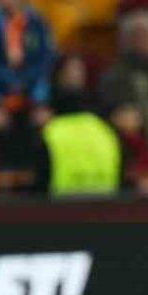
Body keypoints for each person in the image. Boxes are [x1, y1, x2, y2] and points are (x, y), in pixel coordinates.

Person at [0, 0, 55, 169]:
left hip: (30, 97)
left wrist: (40, 101)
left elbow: (43, 64)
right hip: (4, 99)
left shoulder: (37, 25)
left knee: (38, 133)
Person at [36, 58, 122, 196]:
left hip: (60, 207)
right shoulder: (105, 131)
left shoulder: (51, 132)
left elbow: (38, 186)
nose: (75, 76)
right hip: (105, 207)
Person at [99, 11, 148, 159]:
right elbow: (111, 104)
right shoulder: (116, 72)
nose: (142, 40)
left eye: (147, 34)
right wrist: (121, 113)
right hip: (132, 132)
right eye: (136, 35)